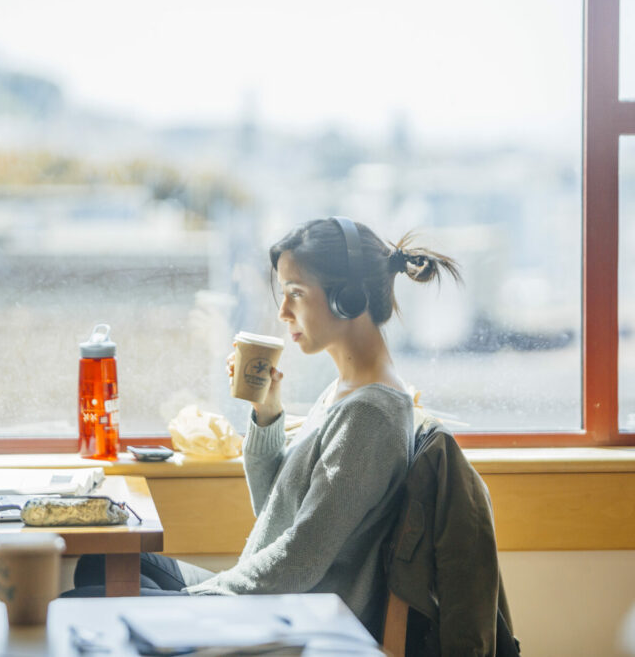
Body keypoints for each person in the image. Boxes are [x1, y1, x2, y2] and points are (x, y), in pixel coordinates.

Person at [69, 216, 460, 638]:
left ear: (348, 298)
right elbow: (273, 510)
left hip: (295, 619)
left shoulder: (369, 416)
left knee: (81, 606)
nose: (283, 311)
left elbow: (299, 562)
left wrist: (198, 604)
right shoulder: (346, 390)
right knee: (99, 564)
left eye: (296, 293)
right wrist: (267, 412)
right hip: (277, 597)